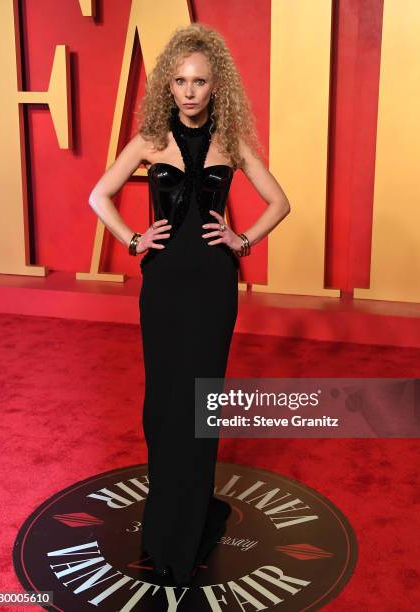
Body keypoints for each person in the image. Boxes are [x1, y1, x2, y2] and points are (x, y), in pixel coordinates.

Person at [88, 23, 291, 586]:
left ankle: (190, 522)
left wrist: (242, 239)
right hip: (164, 285)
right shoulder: (151, 140)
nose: (189, 91)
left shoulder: (232, 142)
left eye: (199, 81)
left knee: (202, 404)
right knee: (163, 405)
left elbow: (280, 201)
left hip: (212, 285)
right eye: (179, 80)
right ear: (166, 86)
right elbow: (97, 194)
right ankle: (166, 523)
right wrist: (132, 239)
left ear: (215, 85)